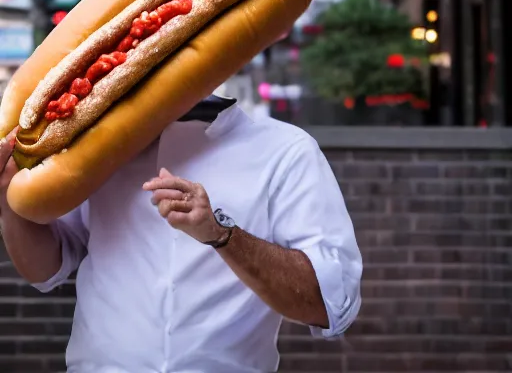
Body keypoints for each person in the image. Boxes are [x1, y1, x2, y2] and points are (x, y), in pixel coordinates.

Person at [0, 95, 362, 373]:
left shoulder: (285, 150)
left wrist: (221, 234)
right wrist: (5, 193)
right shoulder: (96, 149)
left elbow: (328, 304)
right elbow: (47, 270)